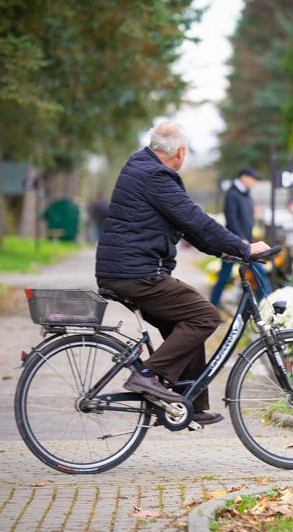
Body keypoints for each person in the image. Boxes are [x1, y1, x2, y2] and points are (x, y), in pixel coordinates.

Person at [96, 122, 270, 426]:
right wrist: (244, 249)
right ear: (180, 151)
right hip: (137, 274)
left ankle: (191, 402)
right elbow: (195, 219)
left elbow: (191, 227)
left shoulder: (142, 167)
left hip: (125, 270)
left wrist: (227, 249)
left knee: (186, 322)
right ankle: (147, 375)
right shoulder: (156, 176)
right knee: (205, 316)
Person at [209, 167, 270, 307]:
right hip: (235, 243)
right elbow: (232, 219)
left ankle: (265, 305)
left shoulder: (246, 195)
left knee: (257, 273)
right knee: (225, 278)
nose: (254, 183)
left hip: (246, 242)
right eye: (253, 180)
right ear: (244, 177)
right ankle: (266, 305)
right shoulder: (233, 194)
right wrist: (241, 238)